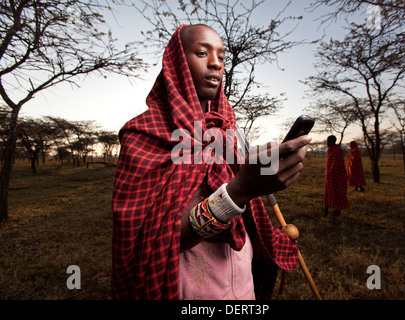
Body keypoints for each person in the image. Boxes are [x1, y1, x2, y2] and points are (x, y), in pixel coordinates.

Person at [111, 24, 312, 300]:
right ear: (178, 63)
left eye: (221, 56)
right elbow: (152, 243)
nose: (216, 63)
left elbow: (249, 215)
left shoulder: (230, 132)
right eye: (202, 53)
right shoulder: (146, 135)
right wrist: (238, 191)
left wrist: (264, 180)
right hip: (189, 286)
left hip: (243, 282)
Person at [323, 135, 349, 217]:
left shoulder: (337, 150)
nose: (327, 142)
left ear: (332, 141)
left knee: (337, 192)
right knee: (328, 192)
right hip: (330, 176)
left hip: (337, 176)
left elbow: (337, 164)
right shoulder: (330, 150)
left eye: (328, 141)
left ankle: (337, 210)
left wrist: (331, 172)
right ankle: (326, 210)